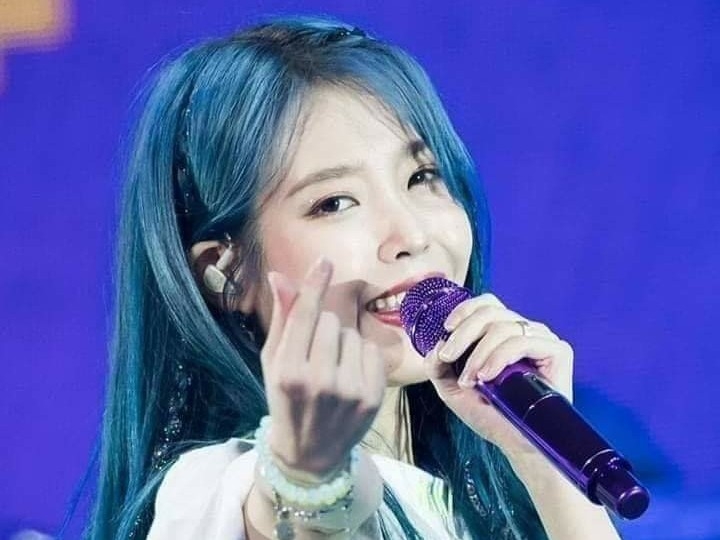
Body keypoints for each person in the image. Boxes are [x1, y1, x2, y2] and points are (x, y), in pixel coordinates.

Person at [87, 15, 622, 540]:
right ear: (227, 273)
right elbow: (297, 512)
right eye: (335, 202)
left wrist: (544, 464)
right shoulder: (214, 490)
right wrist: (308, 467)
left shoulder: (477, 502)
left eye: (422, 177)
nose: (411, 234)